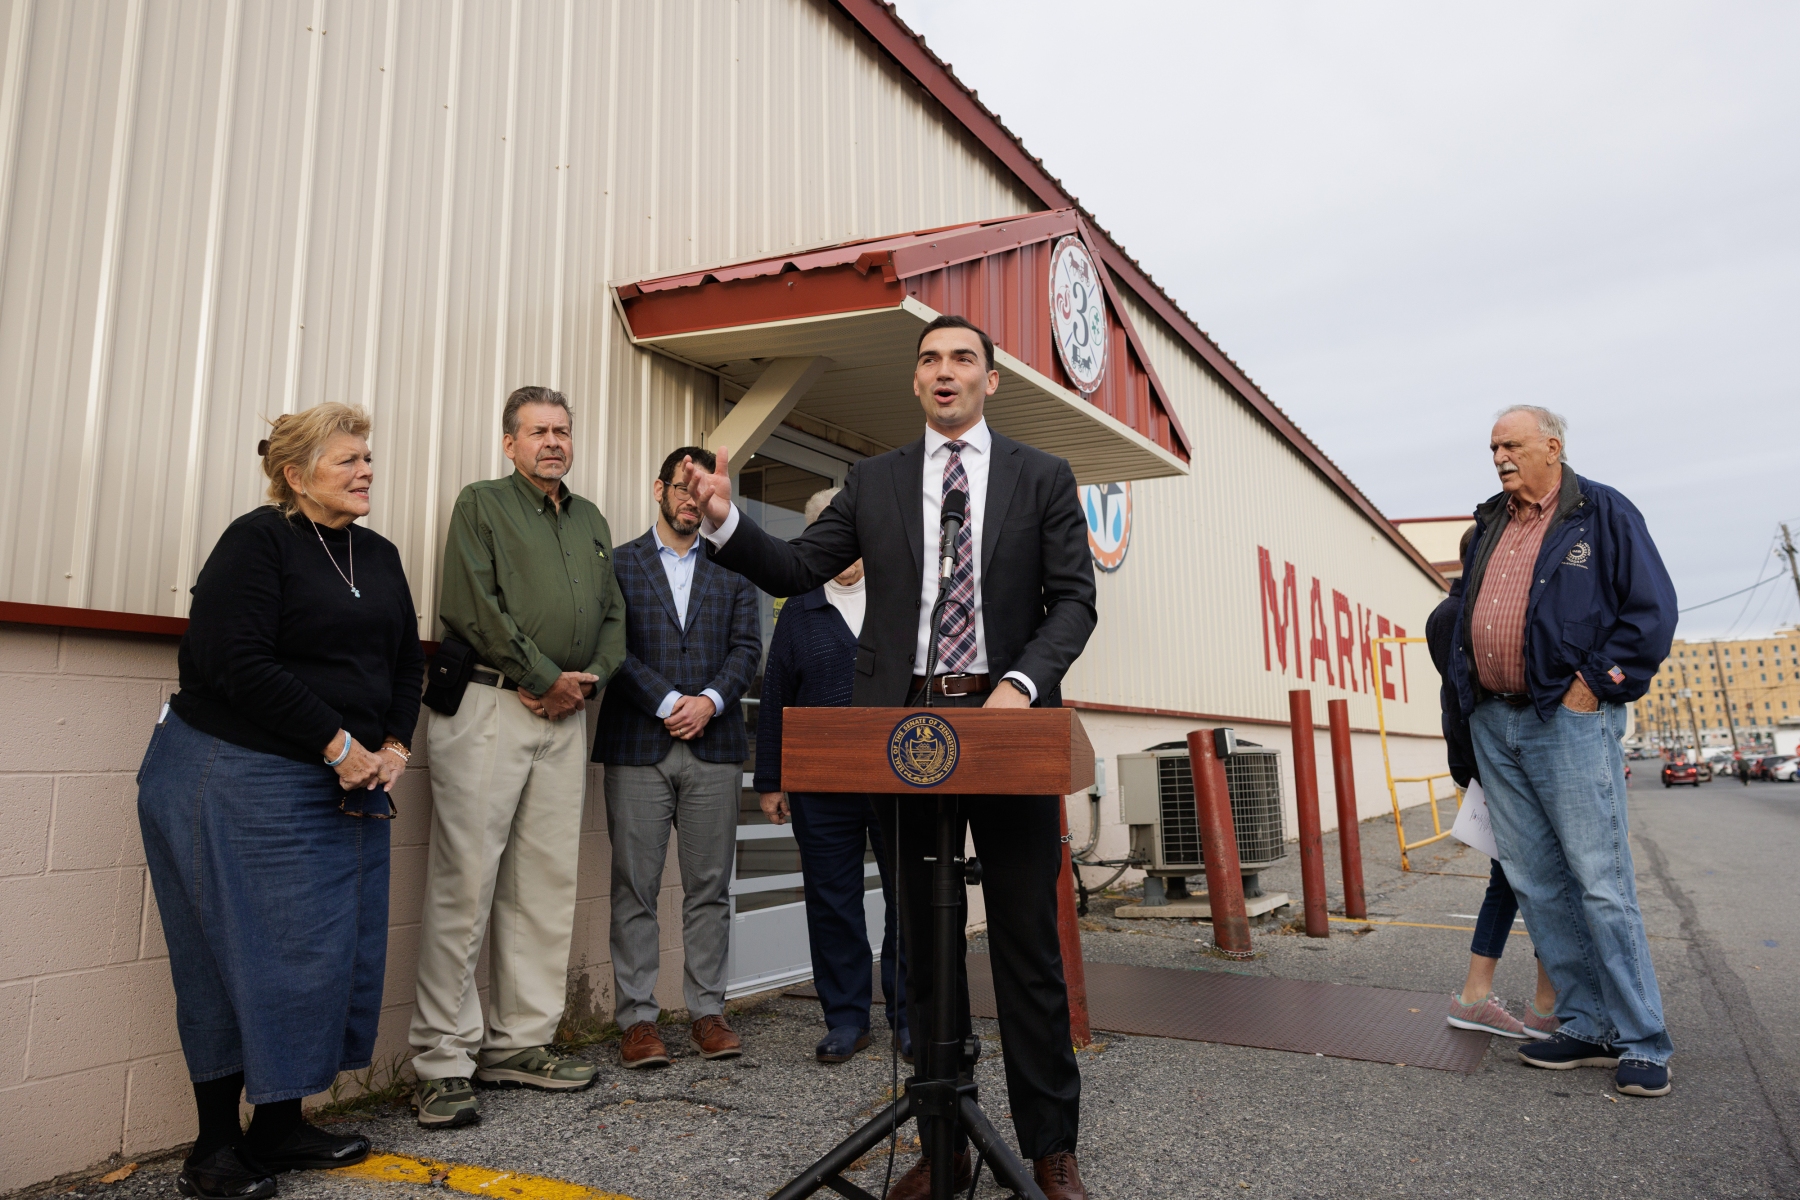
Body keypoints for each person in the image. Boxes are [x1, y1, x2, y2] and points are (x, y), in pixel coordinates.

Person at [683, 315, 1098, 1200]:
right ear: (915, 381)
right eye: (930, 359)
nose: (945, 371)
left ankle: (1050, 1147)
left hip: (1008, 725)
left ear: (989, 380)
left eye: (963, 359)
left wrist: (1019, 686)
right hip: (906, 732)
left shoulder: (1042, 477)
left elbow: (1073, 601)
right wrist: (724, 520)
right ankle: (943, 1139)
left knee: (1026, 943)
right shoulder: (873, 481)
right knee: (924, 945)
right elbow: (796, 567)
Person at [137, 403, 423, 1198]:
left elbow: (406, 663)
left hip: (342, 781)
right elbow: (237, 661)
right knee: (232, 961)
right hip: (236, 774)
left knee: (313, 960)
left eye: (368, 457)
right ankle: (213, 1151)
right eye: (347, 460)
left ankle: (280, 1127)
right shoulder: (256, 542)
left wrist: (394, 747)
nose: (366, 470)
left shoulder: (380, 554)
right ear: (295, 475)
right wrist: (338, 745)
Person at [408, 387, 627, 1128]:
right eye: (538, 431)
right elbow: (473, 605)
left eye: (562, 430)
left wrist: (586, 680)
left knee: (544, 885)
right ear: (510, 443)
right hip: (491, 704)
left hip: (566, 716)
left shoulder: (591, 519)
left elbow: (614, 615)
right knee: (464, 885)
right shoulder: (482, 504)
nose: (553, 442)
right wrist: (542, 676)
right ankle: (442, 1061)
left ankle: (518, 1044)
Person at [1452, 405, 1678, 1098]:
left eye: (1512, 444)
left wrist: (1593, 685)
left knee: (1600, 881)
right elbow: (1460, 616)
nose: (1500, 456)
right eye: (1493, 446)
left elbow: (1651, 612)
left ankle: (1642, 1039)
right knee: (1536, 882)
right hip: (1495, 721)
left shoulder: (1602, 512)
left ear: (1552, 447)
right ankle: (1586, 1024)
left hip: (1568, 718)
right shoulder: (1488, 525)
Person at [595, 446, 762, 1070]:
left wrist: (710, 701)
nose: (693, 499)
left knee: (709, 888)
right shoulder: (619, 564)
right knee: (634, 888)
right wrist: (669, 702)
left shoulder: (735, 567)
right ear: (659, 489)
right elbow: (611, 647)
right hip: (638, 744)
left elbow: (748, 650)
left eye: (704, 489)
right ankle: (638, 1021)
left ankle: (708, 1013)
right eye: (683, 487)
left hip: (714, 747)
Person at [754, 487, 909, 1064]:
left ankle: (911, 1016)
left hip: (898, 779)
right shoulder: (799, 607)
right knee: (832, 901)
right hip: (820, 784)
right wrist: (771, 778)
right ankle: (846, 1019)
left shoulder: (900, 596)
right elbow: (776, 694)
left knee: (909, 899)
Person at [1427, 526, 1558, 1041]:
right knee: (1542, 876)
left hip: (1488, 763)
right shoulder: (1465, 614)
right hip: (1502, 764)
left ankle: (1487, 997)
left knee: (1512, 877)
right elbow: (1476, 701)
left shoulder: (1452, 611)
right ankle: (1540, 1005)